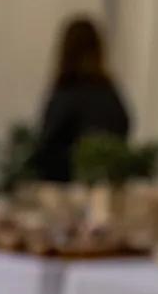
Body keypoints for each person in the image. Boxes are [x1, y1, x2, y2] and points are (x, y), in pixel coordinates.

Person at [33, 16, 131, 184]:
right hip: (108, 186)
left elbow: (47, 145)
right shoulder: (109, 92)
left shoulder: (66, 92)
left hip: (66, 189)